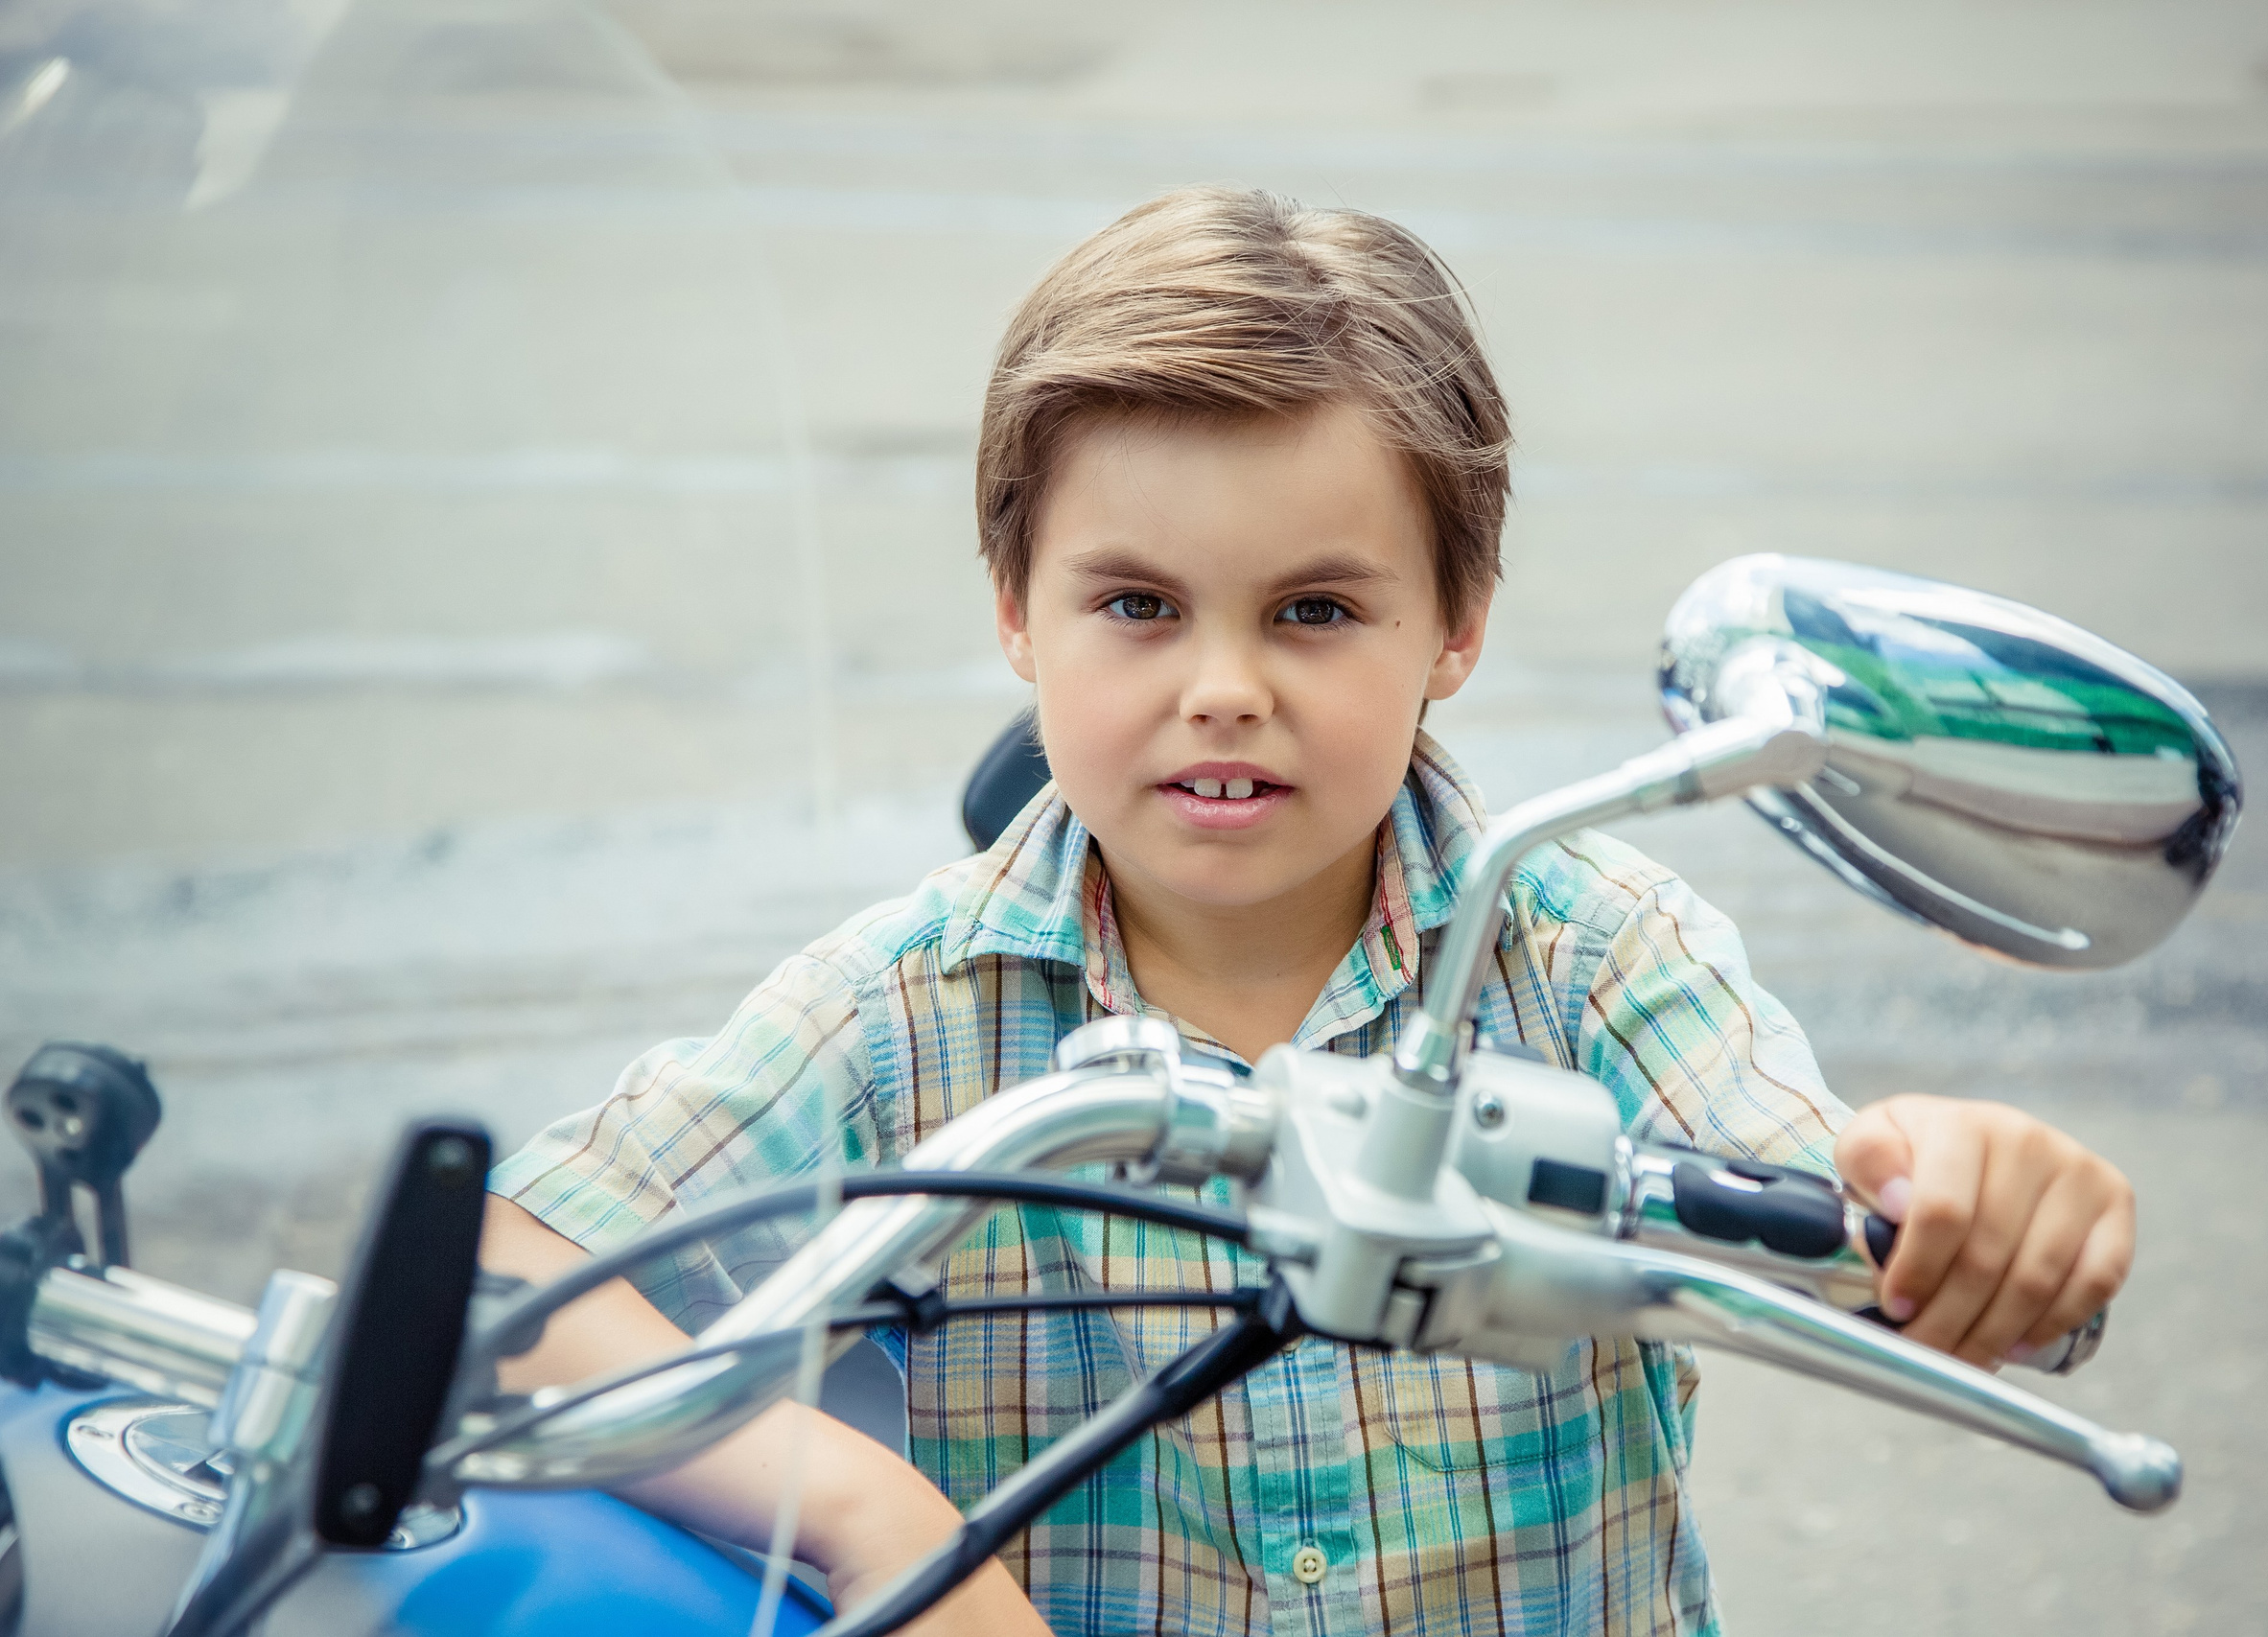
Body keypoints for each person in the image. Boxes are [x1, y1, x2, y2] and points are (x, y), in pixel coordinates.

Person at [481, 186, 2136, 1637]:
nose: (1224, 689)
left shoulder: (1586, 947)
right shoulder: (909, 1011)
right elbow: (515, 1275)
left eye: (1317, 610)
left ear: (1457, 625)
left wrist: (1964, 1201)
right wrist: (875, 1516)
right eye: (1137, 604)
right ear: (1013, 613)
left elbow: (1811, 1190)